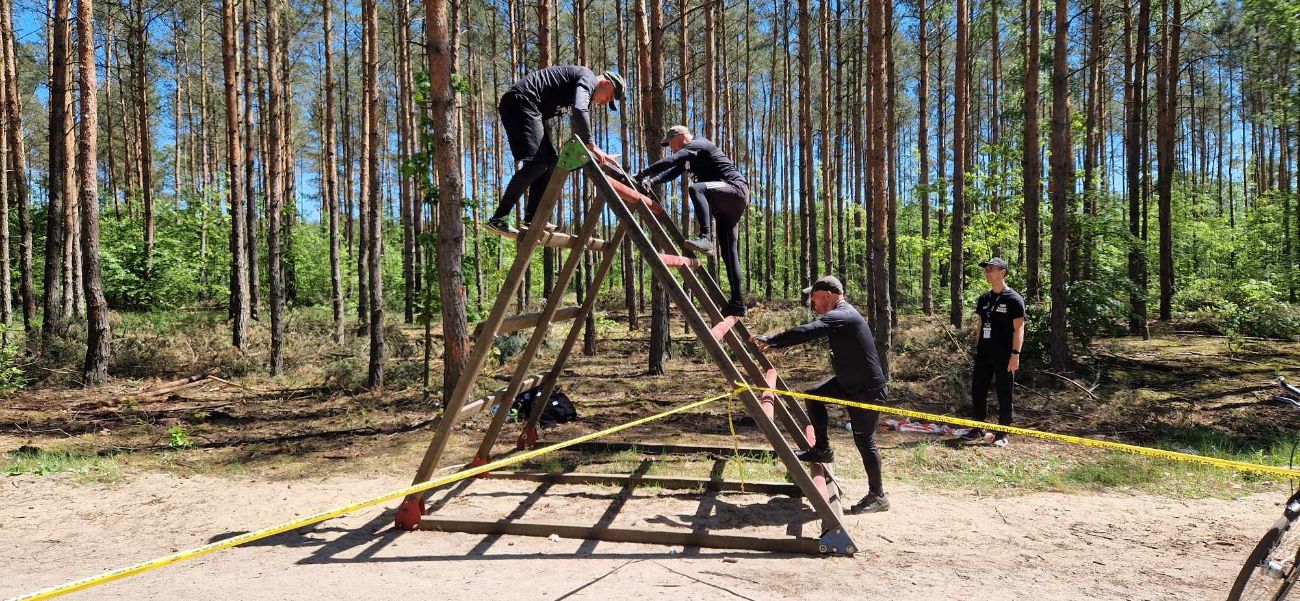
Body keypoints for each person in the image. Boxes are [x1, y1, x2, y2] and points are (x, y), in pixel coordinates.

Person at [751, 276, 890, 514]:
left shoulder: (843, 315)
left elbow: (810, 330)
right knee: (814, 396)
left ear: (827, 294)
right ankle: (823, 449)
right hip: (848, 384)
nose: (812, 302)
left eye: (814, 296)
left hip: (867, 389)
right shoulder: (840, 315)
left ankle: (878, 496)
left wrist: (773, 340)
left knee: (865, 442)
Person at [486, 66, 626, 235]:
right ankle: (498, 218)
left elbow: (578, 129)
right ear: (606, 83)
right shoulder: (588, 78)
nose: (604, 103)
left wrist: (591, 156)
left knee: (551, 163)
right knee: (538, 164)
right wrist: (592, 146)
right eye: (609, 97)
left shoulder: (585, 94)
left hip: (531, 109)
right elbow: (579, 110)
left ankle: (533, 219)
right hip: (521, 102)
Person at [633, 126, 749, 317]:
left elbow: (672, 160)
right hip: (728, 202)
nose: (672, 148)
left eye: (671, 143)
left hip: (734, 188)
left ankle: (705, 237)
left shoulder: (699, 144)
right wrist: (651, 181)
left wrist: (643, 173)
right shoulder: (690, 157)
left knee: (697, 189)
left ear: (682, 137)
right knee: (729, 252)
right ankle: (738, 302)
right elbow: (672, 170)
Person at [960, 257, 1027, 447]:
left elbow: (1019, 329)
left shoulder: (1014, 299)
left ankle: (1002, 433)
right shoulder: (985, 298)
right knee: (978, 391)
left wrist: (1015, 354)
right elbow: (980, 324)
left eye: (991, 269)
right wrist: (977, 346)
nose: (987, 272)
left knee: (1004, 394)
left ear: (1002, 273)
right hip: (984, 354)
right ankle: (977, 428)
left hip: (1005, 355)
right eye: (987, 269)